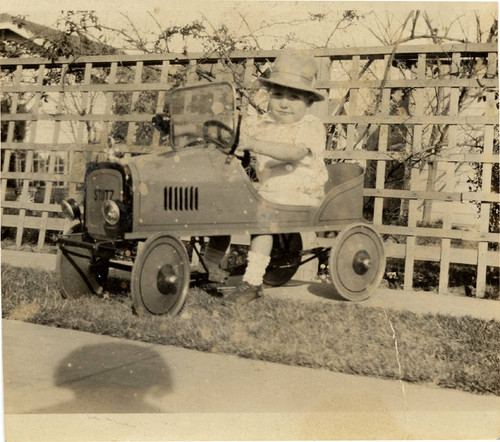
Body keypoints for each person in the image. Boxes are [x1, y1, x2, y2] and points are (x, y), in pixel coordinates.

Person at [206, 53, 329, 304]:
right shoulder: (264, 123)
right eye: (278, 95)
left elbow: (292, 152)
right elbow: (238, 131)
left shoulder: (311, 126)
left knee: (263, 214)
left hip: (300, 193)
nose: (284, 104)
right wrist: (225, 130)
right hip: (269, 191)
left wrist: (252, 143)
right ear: (269, 96)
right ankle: (211, 266)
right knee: (225, 203)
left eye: (294, 97)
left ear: (308, 103)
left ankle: (252, 282)